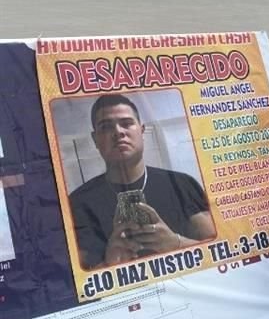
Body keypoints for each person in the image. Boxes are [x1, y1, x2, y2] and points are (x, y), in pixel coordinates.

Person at [69, 94, 216, 269]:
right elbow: (76, 279)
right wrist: (109, 265)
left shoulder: (182, 185)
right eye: (106, 127)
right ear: (95, 139)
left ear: (141, 130)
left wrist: (175, 244)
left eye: (126, 123)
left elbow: (221, 249)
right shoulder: (77, 203)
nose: (118, 132)